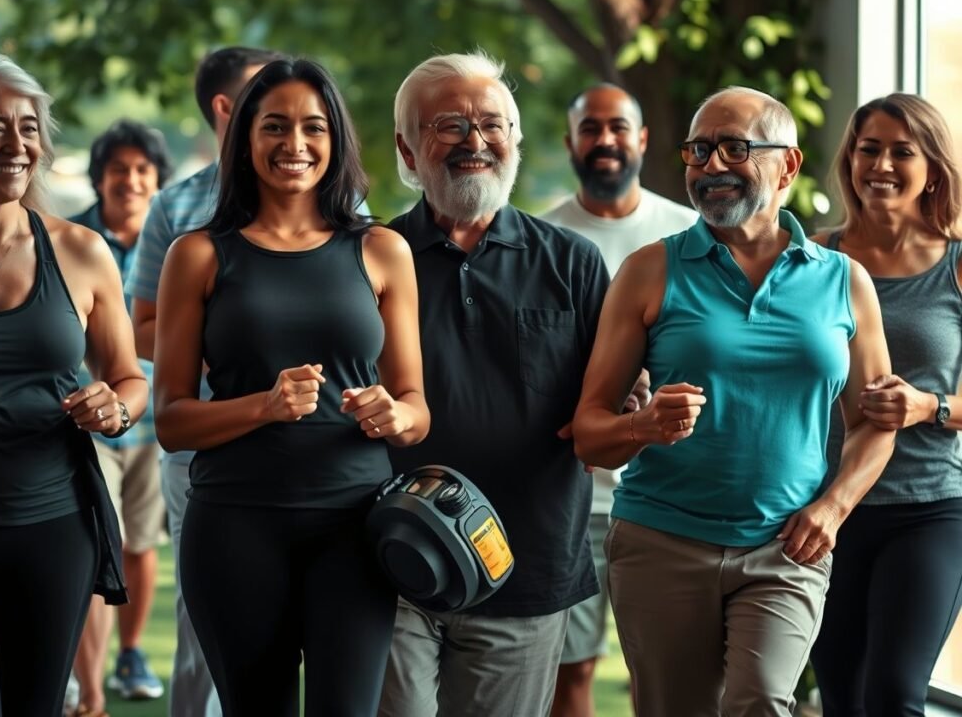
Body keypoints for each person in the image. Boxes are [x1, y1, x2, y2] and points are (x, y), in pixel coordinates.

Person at [573, 86, 896, 717]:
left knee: (761, 703)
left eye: (734, 148)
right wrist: (644, 425)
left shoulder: (843, 279)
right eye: (699, 150)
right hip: (661, 541)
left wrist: (832, 508)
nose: (711, 166)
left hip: (786, 546)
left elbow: (874, 422)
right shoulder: (649, 270)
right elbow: (589, 431)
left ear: (788, 166)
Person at [153, 57, 428, 716]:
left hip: (354, 531)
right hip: (234, 529)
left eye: (313, 127)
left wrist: (396, 416)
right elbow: (170, 419)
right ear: (245, 136)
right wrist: (264, 406)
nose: (294, 144)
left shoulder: (382, 250)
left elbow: (417, 408)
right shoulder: (196, 255)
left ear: (336, 141)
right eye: (274, 126)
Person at [379, 51, 610, 717]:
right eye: (450, 125)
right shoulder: (370, 255)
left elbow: (611, 395)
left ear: (515, 139)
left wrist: (633, 401)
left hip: (527, 562)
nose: (476, 142)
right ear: (407, 147)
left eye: (493, 124)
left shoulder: (572, 261)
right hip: (391, 560)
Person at [0, 53, 148, 716]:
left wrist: (114, 407)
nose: (18, 144)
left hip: (56, 527)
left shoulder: (81, 252)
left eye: (29, 128)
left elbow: (128, 378)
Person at [127, 45, 282, 717]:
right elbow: (139, 328)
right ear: (226, 108)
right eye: (264, 98)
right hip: (200, 447)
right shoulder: (174, 207)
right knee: (205, 620)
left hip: (302, 442)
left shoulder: (335, 196)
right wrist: (217, 347)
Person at [540, 83, 695, 717]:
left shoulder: (687, 232)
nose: (605, 140)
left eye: (618, 127)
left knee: (655, 677)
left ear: (643, 139)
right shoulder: (542, 239)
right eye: (590, 128)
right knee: (569, 672)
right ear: (571, 142)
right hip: (570, 495)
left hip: (668, 495)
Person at [810, 93, 962, 716]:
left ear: (932, 168)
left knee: (894, 694)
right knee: (841, 697)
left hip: (927, 511)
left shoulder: (956, 265)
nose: (883, 165)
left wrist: (931, 406)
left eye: (903, 151)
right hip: (821, 511)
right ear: (850, 160)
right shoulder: (813, 258)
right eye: (869, 149)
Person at [70, 120, 174, 714]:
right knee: (91, 546)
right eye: (119, 169)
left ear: (156, 180)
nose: (130, 181)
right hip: (84, 422)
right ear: (100, 177)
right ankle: (86, 687)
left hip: (155, 422)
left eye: (142, 170)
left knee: (137, 542)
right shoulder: (72, 238)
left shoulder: (172, 244)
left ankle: (130, 654)